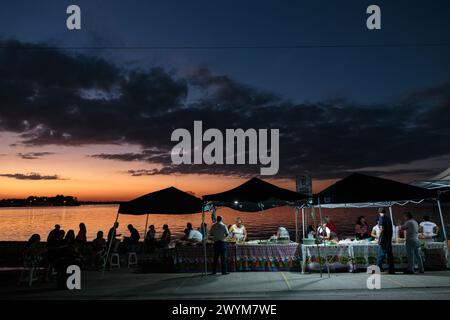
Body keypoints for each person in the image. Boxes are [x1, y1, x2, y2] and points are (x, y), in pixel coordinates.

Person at [376, 208, 395, 274]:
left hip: (383, 239)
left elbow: (382, 229)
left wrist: (379, 238)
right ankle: (391, 270)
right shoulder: (389, 218)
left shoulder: (381, 218)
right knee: (390, 255)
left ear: (379, 212)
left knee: (381, 255)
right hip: (389, 238)